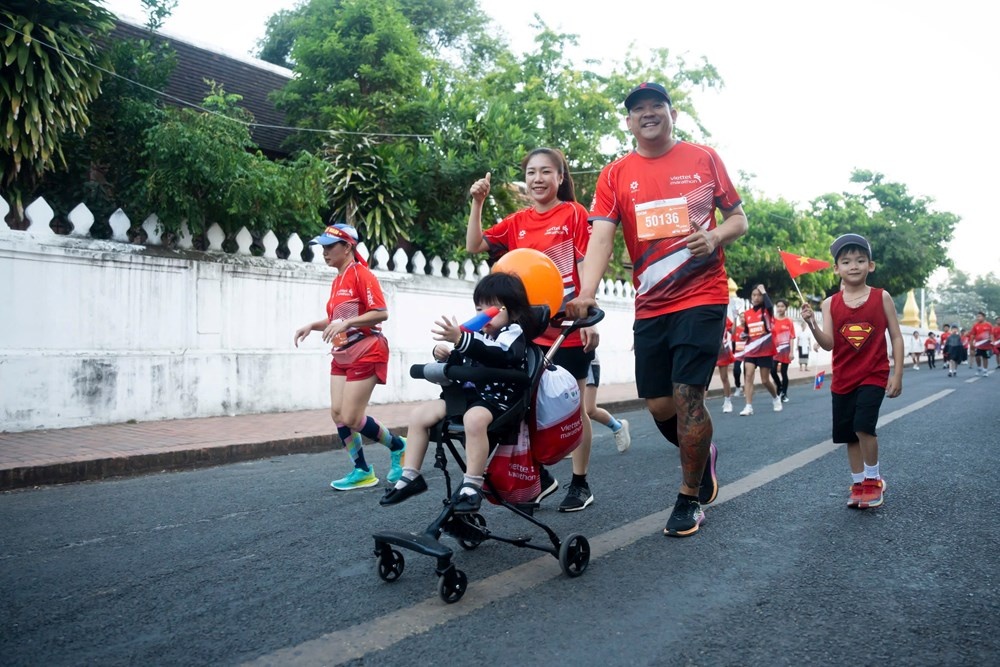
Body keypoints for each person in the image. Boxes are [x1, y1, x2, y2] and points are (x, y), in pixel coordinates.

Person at [567, 81, 748, 537]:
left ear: (672, 113)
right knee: (659, 404)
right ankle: (701, 453)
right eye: (638, 109)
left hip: (703, 295)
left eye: (656, 106)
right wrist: (586, 292)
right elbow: (602, 237)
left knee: (689, 395)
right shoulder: (615, 174)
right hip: (650, 304)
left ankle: (689, 497)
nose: (648, 114)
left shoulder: (703, 158)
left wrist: (715, 236)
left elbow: (739, 218)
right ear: (628, 121)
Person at [466, 147, 599, 512]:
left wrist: (587, 306)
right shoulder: (516, 221)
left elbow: (588, 262)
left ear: (560, 178)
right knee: (524, 407)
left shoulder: (574, 213)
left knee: (571, 406)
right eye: (530, 173)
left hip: (567, 326)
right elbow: (474, 245)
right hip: (524, 333)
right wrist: (478, 203)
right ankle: (539, 479)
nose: (537, 179)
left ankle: (580, 482)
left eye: (546, 172)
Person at [380, 272, 533, 512]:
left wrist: (463, 340)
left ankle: (472, 484)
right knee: (419, 415)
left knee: (474, 419)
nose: (484, 315)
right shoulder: (476, 334)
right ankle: (411, 476)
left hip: (498, 398)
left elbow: (499, 354)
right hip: (465, 396)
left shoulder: (512, 333)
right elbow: (463, 358)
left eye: (492, 309)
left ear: (512, 311)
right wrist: (446, 354)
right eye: (479, 308)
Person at [294, 223, 406, 490]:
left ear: (348, 247)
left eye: (330, 247)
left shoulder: (362, 274)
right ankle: (363, 470)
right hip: (342, 353)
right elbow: (337, 319)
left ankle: (399, 446)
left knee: (353, 417)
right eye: (322, 247)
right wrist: (313, 325)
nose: (324, 252)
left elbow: (381, 312)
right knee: (337, 414)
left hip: (367, 350)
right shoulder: (337, 280)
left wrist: (346, 324)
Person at [800, 233, 903, 509]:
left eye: (860, 260)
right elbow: (829, 344)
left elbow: (896, 336)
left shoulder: (882, 298)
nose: (854, 265)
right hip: (843, 379)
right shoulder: (829, 304)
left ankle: (873, 480)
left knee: (863, 427)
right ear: (836, 268)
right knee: (849, 435)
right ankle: (858, 483)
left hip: (874, 374)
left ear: (871, 265)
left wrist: (897, 374)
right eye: (846, 261)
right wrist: (812, 324)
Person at [740, 284, 782, 415]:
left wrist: (764, 291)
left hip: (765, 350)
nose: (756, 297)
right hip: (751, 349)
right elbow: (747, 331)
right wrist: (744, 335)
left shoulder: (767, 311)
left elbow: (770, 306)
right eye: (754, 295)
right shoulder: (746, 314)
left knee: (765, 380)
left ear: (762, 297)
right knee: (748, 376)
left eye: (759, 295)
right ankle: (748, 406)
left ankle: (776, 398)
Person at [584, 354, 631, 452]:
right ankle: (569, 446)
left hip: (587, 362)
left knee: (589, 410)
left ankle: (617, 426)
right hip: (564, 366)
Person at [769, 299, 795, 402]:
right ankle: (779, 386)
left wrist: (791, 352)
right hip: (774, 350)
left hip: (785, 350)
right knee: (773, 370)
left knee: (784, 372)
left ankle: (784, 393)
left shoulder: (789, 321)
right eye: (778, 306)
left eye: (782, 306)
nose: (780, 308)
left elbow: (792, 337)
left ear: (786, 308)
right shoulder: (773, 320)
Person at [716, 315, 736, 413]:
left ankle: (728, 401)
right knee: (704, 379)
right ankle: (701, 403)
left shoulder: (723, 316)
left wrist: (735, 316)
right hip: (708, 350)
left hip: (722, 349)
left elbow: (733, 331)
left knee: (724, 377)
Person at [969, 311, 993, 376]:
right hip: (978, 344)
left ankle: (985, 370)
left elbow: (991, 334)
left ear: (983, 317)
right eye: (977, 317)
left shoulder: (989, 325)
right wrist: (971, 343)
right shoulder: (975, 325)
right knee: (977, 356)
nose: (978, 318)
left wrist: (992, 343)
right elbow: (972, 335)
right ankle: (979, 367)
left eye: (979, 316)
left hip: (986, 344)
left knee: (985, 357)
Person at [732, 313, 746, 396]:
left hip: (748, 353)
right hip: (738, 353)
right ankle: (738, 387)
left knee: (747, 371)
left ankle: (746, 389)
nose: (742, 319)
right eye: (741, 317)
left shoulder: (749, 329)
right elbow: (733, 341)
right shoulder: (736, 329)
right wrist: (733, 353)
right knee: (736, 371)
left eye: (744, 317)